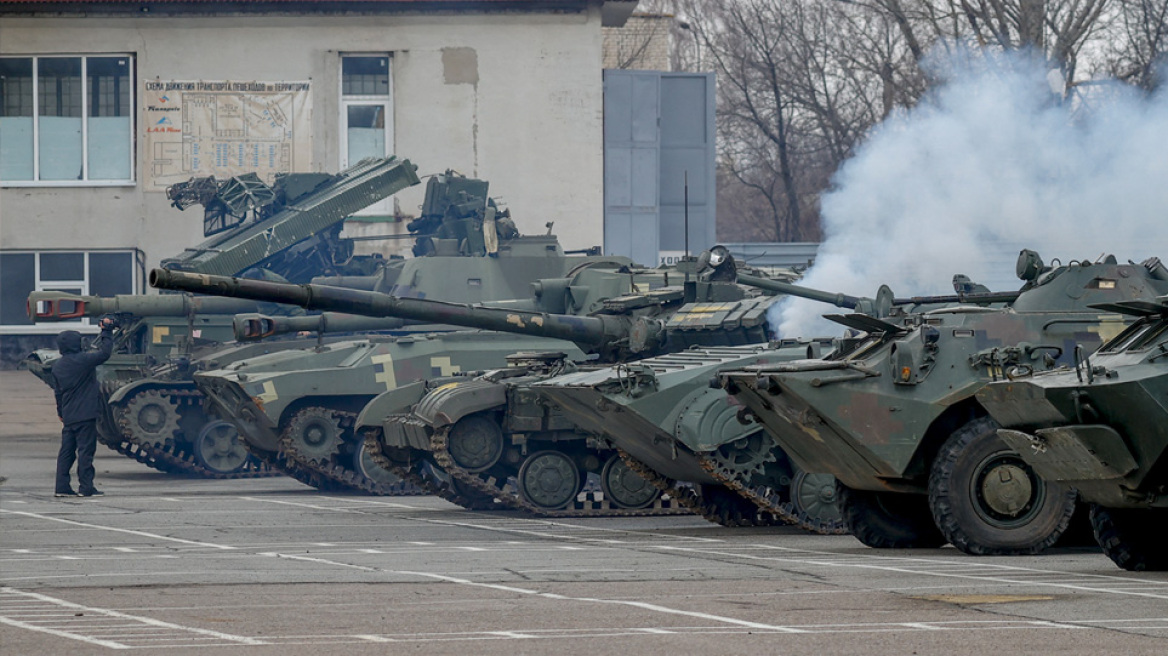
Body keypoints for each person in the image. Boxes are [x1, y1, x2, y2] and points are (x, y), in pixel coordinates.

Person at [52, 317, 116, 498]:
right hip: (86, 414)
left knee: (66, 452)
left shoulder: (57, 366)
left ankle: (62, 487)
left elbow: (58, 393)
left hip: (69, 415)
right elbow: (104, 354)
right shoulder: (83, 360)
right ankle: (86, 487)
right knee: (86, 451)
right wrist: (107, 331)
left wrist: (61, 413)